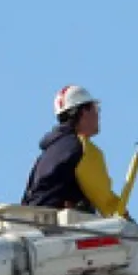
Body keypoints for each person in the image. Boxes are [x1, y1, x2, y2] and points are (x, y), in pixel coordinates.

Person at [21, 85, 126, 217]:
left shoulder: (46, 155)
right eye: (95, 108)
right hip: (62, 231)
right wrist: (127, 221)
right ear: (83, 112)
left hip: (33, 224)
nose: (98, 114)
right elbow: (105, 200)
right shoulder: (82, 148)